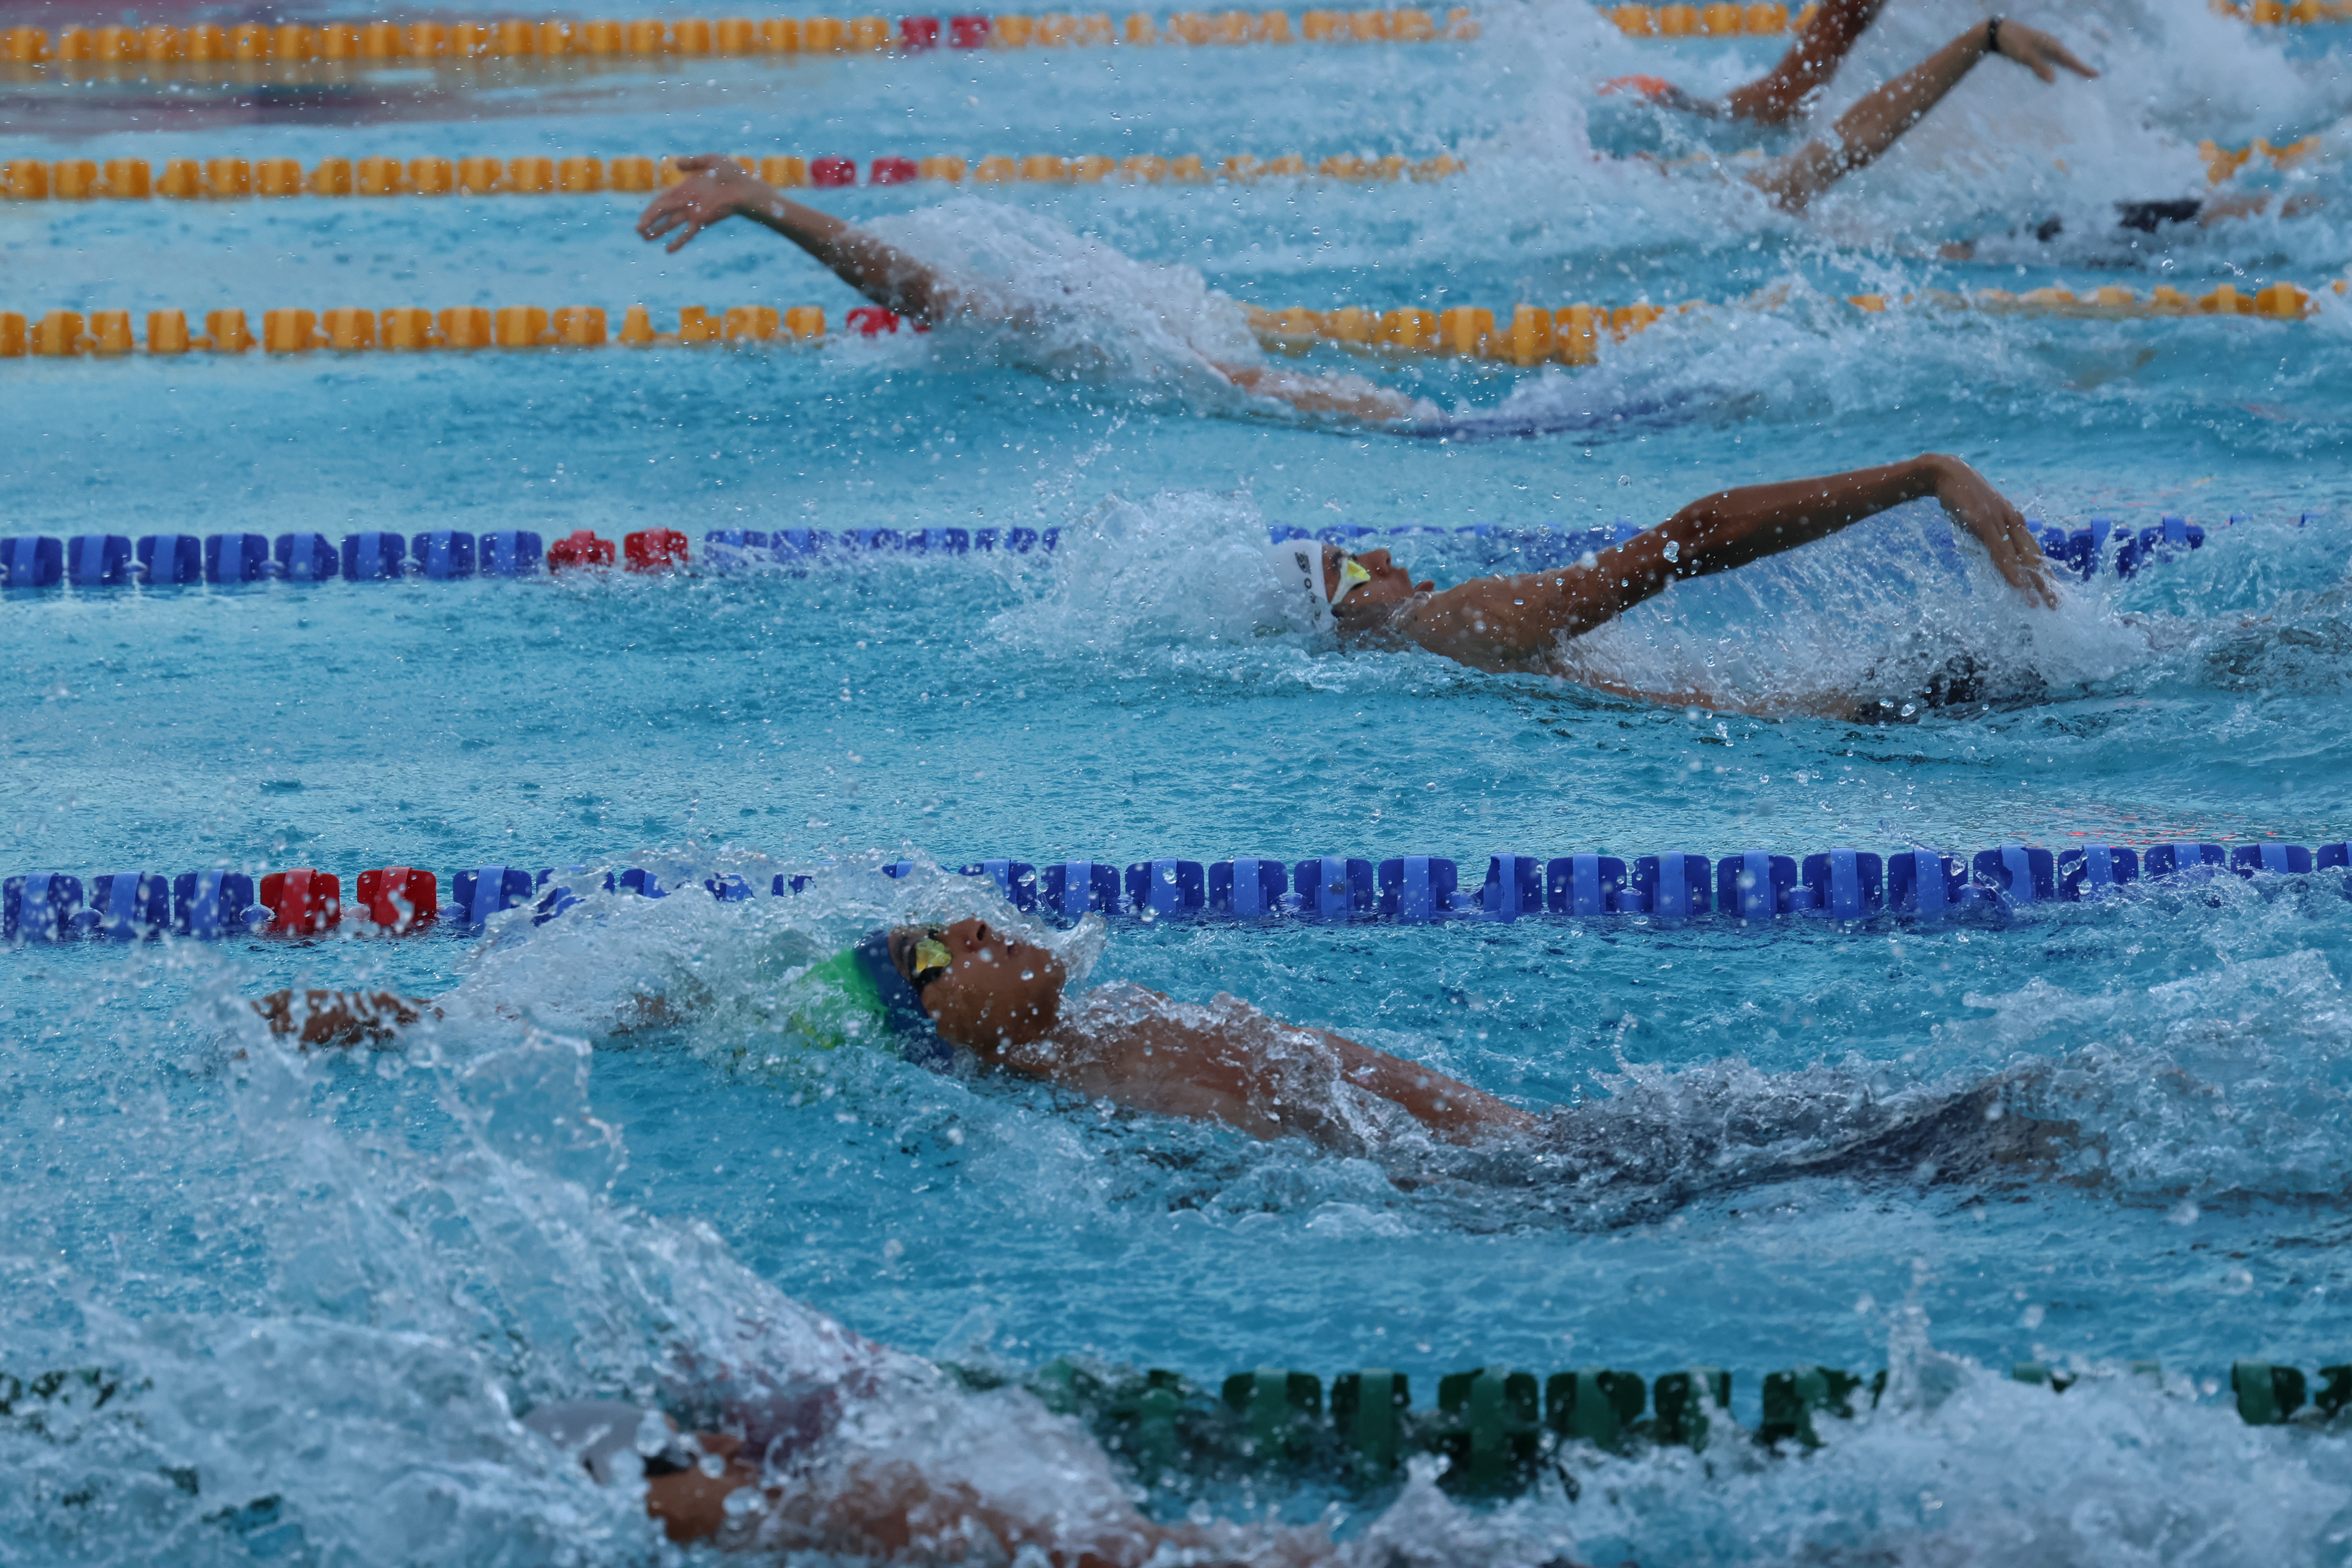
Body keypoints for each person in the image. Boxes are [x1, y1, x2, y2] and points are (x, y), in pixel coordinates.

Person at [629, 22, 2088, 432]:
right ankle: (1970, 50)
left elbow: (936, 295)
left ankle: (1968, 51)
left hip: (1450, 412)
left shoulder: (1101, 348)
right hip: (1471, 387)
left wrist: (768, 205)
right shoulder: (1161, 339)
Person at [254, 916, 1536, 1151]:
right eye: (931, 958)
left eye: (946, 925)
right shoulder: (1093, 1098)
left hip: (1545, 1146)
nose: (968, 929)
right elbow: (637, 1028)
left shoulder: (1115, 1030)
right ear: (938, 1043)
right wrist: (397, 1018)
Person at [1272, 449, 2056, 715]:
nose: (1382, 560)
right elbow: (1693, 541)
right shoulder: (1457, 620)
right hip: (1879, 721)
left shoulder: (1436, 656)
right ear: (1337, 623)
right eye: (1347, 565)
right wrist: (1920, 476)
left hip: (1865, 723)